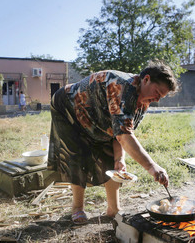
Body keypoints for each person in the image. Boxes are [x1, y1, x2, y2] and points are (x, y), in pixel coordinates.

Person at [47, 60, 179, 225]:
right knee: (77, 155)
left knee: (112, 161)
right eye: (157, 92)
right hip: (68, 107)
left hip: (96, 117)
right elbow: (124, 135)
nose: (156, 99)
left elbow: (120, 133)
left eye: (161, 97)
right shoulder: (120, 86)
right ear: (146, 79)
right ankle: (77, 208)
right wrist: (153, 167)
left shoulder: (143, 101)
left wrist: (119, 159)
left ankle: (113, 209)